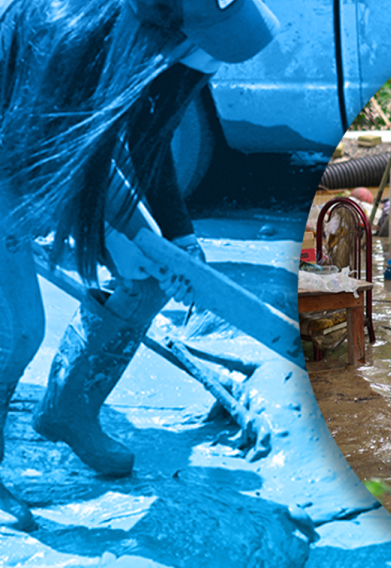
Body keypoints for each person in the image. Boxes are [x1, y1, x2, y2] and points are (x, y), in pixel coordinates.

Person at [0, 0, 279, 530]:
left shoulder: (150, 34)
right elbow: (39, 148)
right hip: (13, 140)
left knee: (152, 269)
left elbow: (127, 140)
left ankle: (69, 411)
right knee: (15, 331)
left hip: (49, 139)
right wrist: (119, 229)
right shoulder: (64, 31)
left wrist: (166, 240)